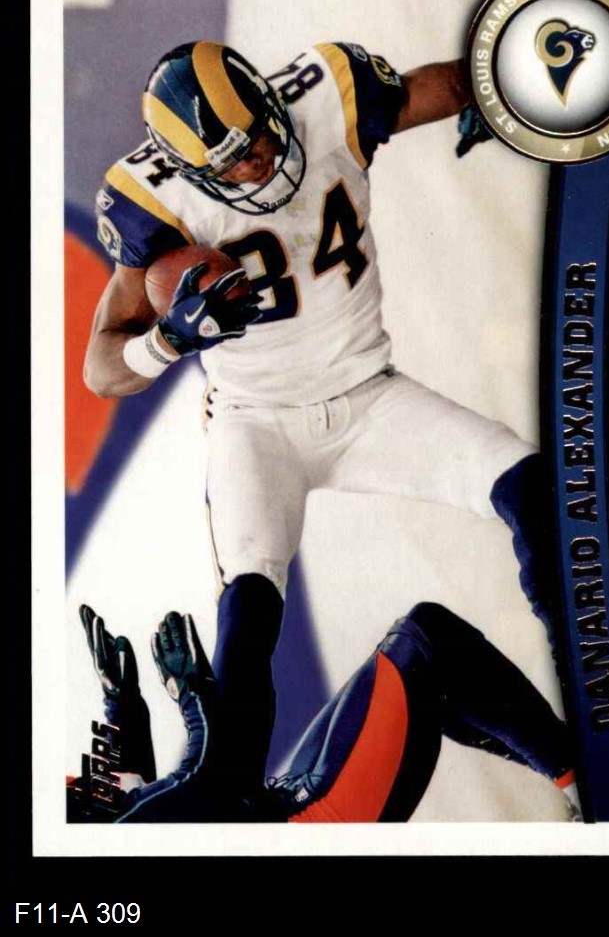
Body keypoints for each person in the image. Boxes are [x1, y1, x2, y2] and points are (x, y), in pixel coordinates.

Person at [83, 39, 557, 797]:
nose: (259, 161)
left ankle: (598, 704)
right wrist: (168, 339)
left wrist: (497, 97)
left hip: (370, 394)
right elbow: (102, 369)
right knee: (246, 619)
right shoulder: (153, 202)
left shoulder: (327, 95)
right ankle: (228, 806)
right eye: (231, 161)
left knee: (532, 489)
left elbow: (443, 86)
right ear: (191, 170)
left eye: (259, 135)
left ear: (269, 97)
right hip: (257, 422)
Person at [68, 604, 581, 824]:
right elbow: (211, 782)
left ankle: (577, 776)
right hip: (316, 821)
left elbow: (127, 797)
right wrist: (190, 695)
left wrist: (121, 701)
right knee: (426, 639)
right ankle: (591, 773)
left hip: (292, 807)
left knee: (428, 686)